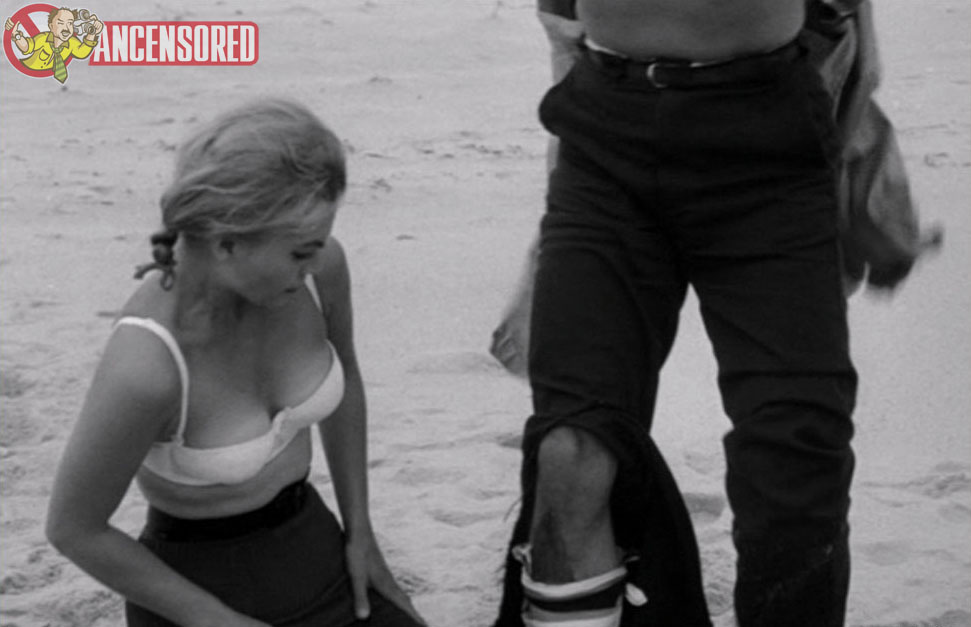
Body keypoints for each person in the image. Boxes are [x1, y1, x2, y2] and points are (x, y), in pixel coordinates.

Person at [490, 1, 942, 625]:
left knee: (795, 460)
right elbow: (561, 14)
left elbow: (839, 16)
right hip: (605, 140)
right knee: (572, 450)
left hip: (767, 144)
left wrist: (859, 153)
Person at [45, 99, 426, 627]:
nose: (315, 262)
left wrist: (361, 532)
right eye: (299, 252)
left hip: (318, 552)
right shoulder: (148, 363)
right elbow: (74, 529)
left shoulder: (320, 272)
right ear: (227, 244)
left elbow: (347, 380)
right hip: (195, 596)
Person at [5, 8, 104, 83]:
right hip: (25, 74)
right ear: (51, 27)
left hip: (47, 83)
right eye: (60, 23)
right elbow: (26, 47)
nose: (66, 28)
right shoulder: (43, 38)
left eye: (70, 24)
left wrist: (92, 33)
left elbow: (82, 52)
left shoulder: (72, 43)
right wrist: (16, 35)